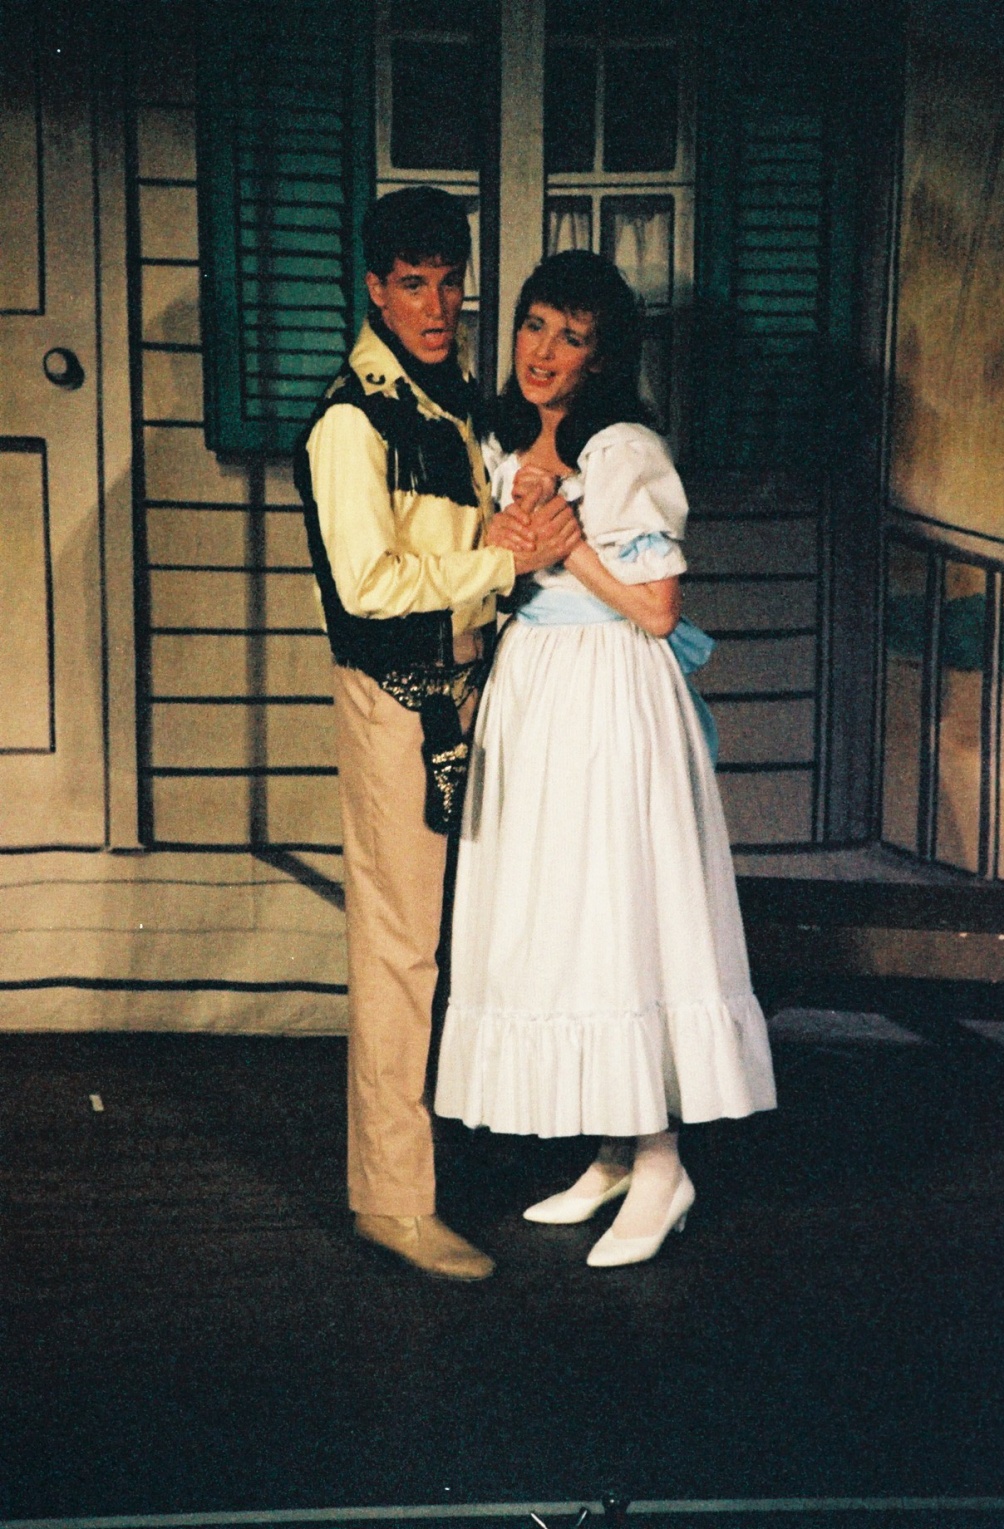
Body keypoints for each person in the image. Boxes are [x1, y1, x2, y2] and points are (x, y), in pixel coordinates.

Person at [434, 251, 777, 1268]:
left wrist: (567, 544)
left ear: (603, 355)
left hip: (607, 688)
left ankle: (664, 1163)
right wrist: (515, 548)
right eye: (535, 325)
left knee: (618, 909)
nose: (544, 351)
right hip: (534, 686)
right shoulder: (499, 439)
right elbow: (502, 570)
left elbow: (658, 610)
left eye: (572, 336)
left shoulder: (623, 450)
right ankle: (616, 1149)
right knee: (562, 917)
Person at [294, 189, 581, 1281]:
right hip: (396, 700)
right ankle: (393, 1200)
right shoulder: (352, 420)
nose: (435, 304)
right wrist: (502, 557)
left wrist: (499, 538)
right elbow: (367, 584)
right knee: (399, 949)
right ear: (375, 289)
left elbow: (447, 541)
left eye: (449, 282)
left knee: (469, 934)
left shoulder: (448, 400)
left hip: (468, 688)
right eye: (412, 283)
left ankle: (463, 1153)